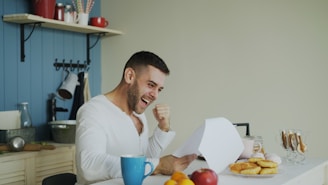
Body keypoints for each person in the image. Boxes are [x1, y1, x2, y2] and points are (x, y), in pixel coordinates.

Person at [75, 51, 197, 185]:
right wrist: (158, 165)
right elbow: (89, 165)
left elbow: (145, 158)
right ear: (129, 76)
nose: (155, 95)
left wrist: (163, 127)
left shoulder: (139, 114)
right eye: (151, 85)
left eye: (159, 89)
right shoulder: (93, 110)